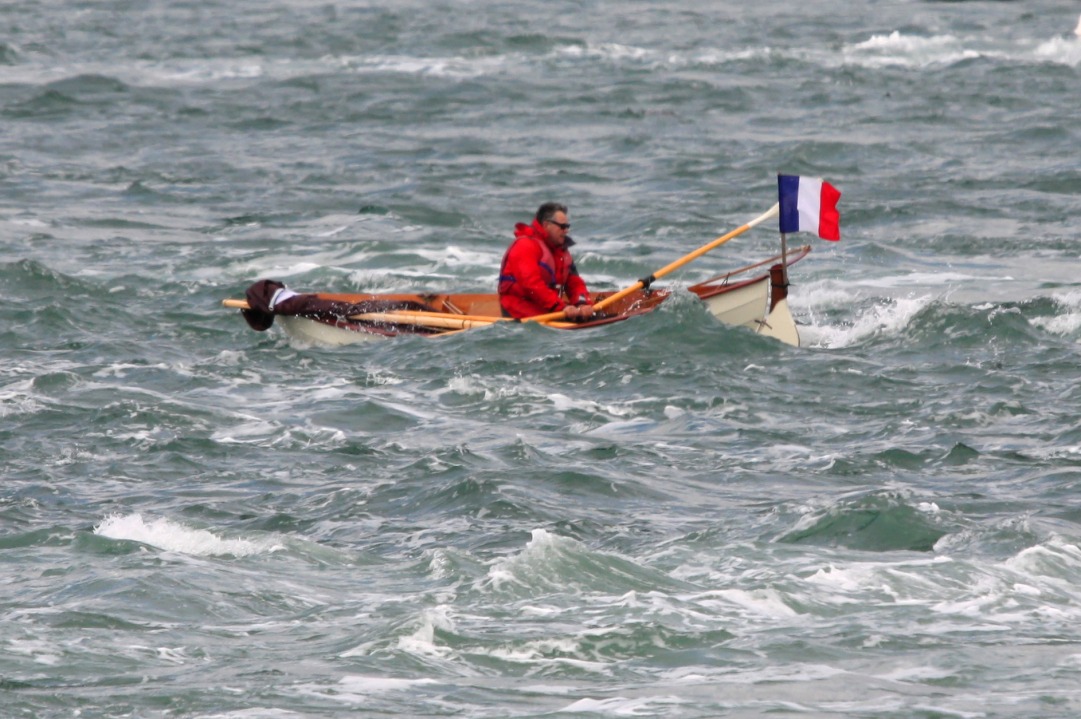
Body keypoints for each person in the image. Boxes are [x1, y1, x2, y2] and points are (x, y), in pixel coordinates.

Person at [498, 202, 595, 321]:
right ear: (546, 225)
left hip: (546, 307)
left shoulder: (560, 251)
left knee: (592, 317)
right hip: (519, 309)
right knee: (572, 320)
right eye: (562, 226)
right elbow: (531, 284)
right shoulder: (525, 245)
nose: (566, 231)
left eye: (567, 227)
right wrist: (560, 307)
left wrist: (582, 303)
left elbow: (574, 282)